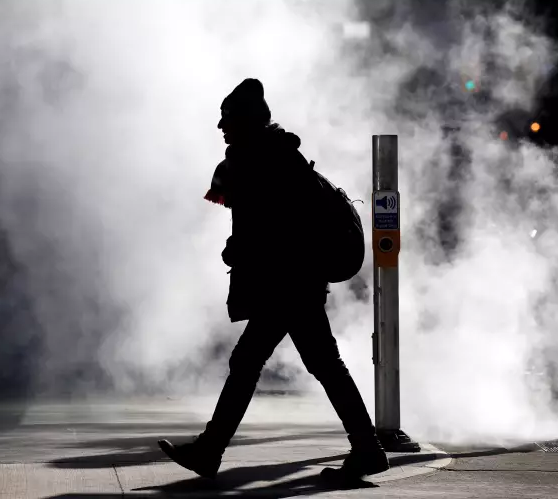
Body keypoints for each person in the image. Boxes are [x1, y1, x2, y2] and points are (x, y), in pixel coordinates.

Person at [158, 78, 389, 480]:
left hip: (287, 285)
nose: (220, 126)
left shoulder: (258, 161)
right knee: (322, 365)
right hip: (297, 282)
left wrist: (237, 250)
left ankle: (210, 451)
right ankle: (367, 449)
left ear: (246, 120)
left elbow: (270, 230)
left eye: (227, 118)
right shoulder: (276, 155)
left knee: (251, 361)